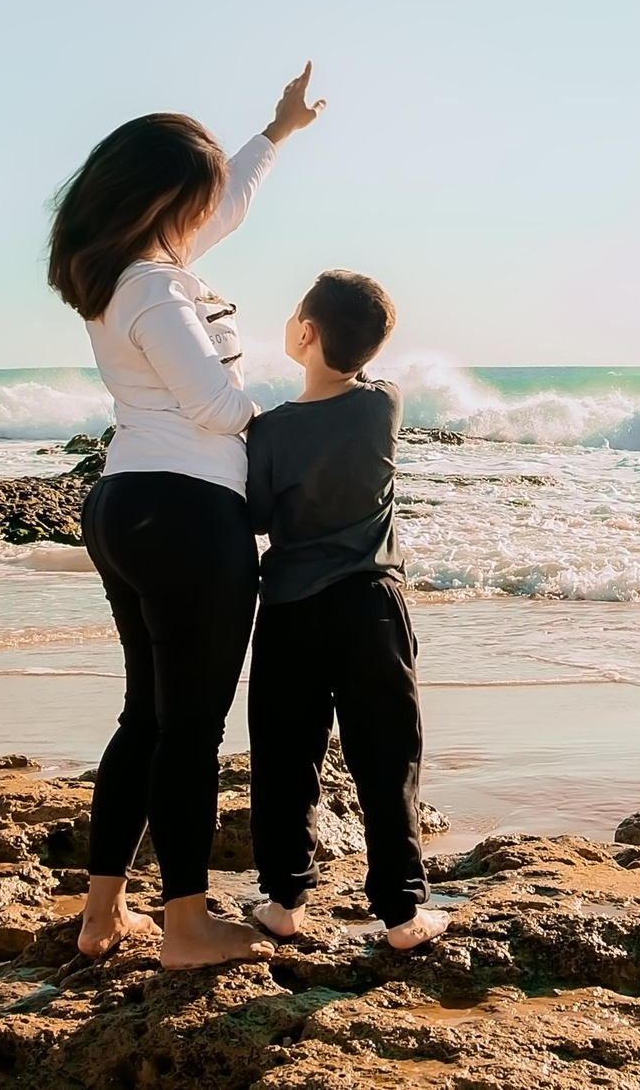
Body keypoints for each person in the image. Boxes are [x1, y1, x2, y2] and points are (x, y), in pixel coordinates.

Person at [46, 64, 324, 970]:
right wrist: (286, 418)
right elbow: (212, 405)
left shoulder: (128, 271)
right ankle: (188, 926)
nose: (207, 215)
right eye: (193, 200)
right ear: (162, 197)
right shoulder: (157, 289)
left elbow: (230, 201)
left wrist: (276, 133)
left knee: (147, 718)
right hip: (188, 513)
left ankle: (102, 915)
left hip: (129, 504)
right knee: (191, 730)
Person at [242, 269, 448, 951]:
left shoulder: (267, 432)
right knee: (387, 756)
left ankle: (282, 901)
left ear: (303, 331)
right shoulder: (381, 404)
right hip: (371, 606)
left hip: (292, 610)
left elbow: (262, 514)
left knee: (284, 757)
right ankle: (401, 913)